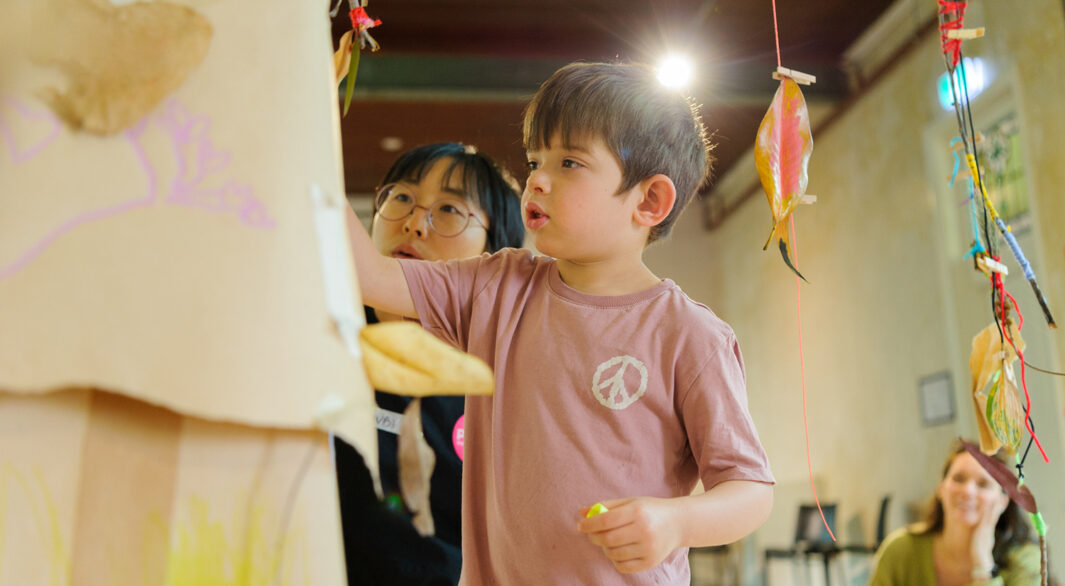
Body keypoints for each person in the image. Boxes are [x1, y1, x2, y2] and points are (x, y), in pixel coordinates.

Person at [345, 62, 775, 584]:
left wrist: (675, 520)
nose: (537, 181)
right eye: (534, 160)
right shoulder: (496, 288)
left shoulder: (690, 336)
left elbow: (750, 489)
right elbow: (369, 273)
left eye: (569, 162)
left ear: (649, 201)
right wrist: (310, 107)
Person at [335, 142, 525, 586]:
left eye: (450, 210)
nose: (416, 224)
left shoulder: (502, 380)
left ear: (494, 258)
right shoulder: (321, 333)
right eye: (401, 198)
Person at [869, 439, 1041, 585]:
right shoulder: (899, 550)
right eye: (959, 479)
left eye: (983, 484)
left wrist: (983, 565)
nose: (968, 491)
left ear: (1003, 501)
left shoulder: (1025, 562)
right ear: (941, 489)